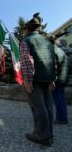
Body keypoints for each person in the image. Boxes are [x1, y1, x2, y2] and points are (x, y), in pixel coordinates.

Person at [20, 13, 56, 146]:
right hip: (47, 78)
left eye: (24, 29)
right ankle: (49, 134)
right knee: (48, 107)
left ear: (28, 29)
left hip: (35, 79)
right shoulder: (46, 40)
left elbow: (26, 60)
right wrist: (53, 78)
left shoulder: (26, 40)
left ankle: (42, 136)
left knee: (38, 108)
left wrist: (27, 80)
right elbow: (53, 59)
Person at [49, 36, 69, 124]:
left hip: (57, 79)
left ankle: (61, 119)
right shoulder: (60, 51)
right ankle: (63, 117)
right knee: (61, 98)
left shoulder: (52, 52)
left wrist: (52, 80)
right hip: (63, 77)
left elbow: (54, 67)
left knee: (57, 99)